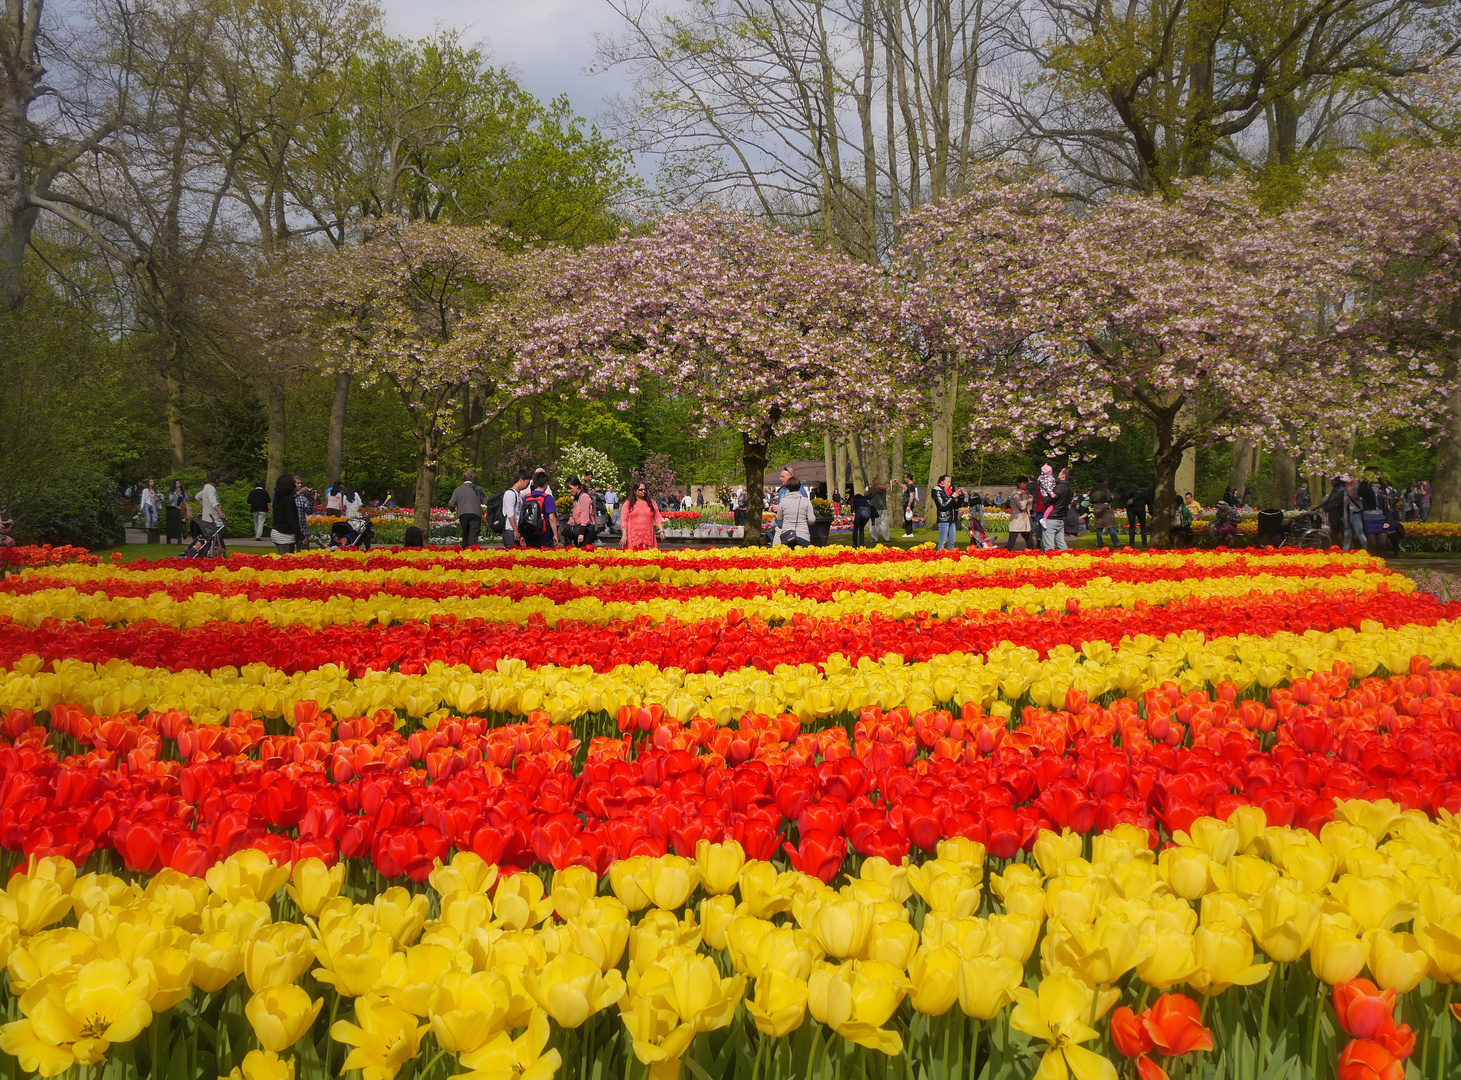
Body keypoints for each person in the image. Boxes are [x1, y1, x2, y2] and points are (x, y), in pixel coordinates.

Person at [516, 471, 559, 548]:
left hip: (529, 534)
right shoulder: (547, 498)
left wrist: (522, 535)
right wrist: (555, 534)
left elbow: (522, 516)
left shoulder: (527, 497)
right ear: (546, 484)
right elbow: (552, 518)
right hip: (543, 535)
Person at [773, 476, 816, 548]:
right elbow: (811, 520)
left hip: (787, 536)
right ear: (799, 487)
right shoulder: (806, 501)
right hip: (803, 535)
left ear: (788, 488)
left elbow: (779, 518)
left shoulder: (783, 501)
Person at [620, 480, 664, 549]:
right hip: (633, 539)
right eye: (640, 490)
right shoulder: (628, 503)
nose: (643, 491)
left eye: (644, 489)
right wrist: (624, 536)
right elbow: (624, 521)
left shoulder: (651, 503)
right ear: (635, 491)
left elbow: (657, 517)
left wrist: (661, 531)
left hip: (648, 538)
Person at [448, 470, 485, 549]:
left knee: (465, 533)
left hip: (463, 514)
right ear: (473, 479)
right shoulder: (478, 489)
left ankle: (465, 549)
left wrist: (452, 509)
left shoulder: (458, 490)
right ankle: (472, 550)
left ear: (463, 479)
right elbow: (487, 501)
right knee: (473, 534)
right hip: (475, 513)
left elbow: (451, 503)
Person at [269, 474, 304, 554]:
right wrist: (301, 536)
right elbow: (291, 519)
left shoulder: (278, 497)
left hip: (276, 532)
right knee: (287, 561)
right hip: (285, 535)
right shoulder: (288, 499)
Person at [931, 475, 964, 551]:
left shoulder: (951, 491)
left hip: (951, 518)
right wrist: (952, 497)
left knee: (952, 541)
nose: (950, 483)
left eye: (950, 482)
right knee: (943, 541)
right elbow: (942, 506)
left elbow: (957, 505)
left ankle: (950, 556)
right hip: (943, 518)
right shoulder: (937, 491)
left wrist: (961, 496)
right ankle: (941, 555)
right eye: (948, 482)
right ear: (942, 482)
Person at [562, 476, 598, 547]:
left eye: (570, 488)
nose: (569, 491)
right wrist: (572, 518)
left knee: (584, 552)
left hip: (586, 529)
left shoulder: (584, 497)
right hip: (578, 528)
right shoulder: (576, 498)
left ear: (576, 486)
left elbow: (585, 516)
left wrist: (581, 533)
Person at [1043, 468, 1072, 551]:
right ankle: (1068, 560)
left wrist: (1044, 496)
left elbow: (1048, 500)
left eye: (1060, 472)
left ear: (1064, 476)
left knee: (1049, 547)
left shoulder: (1058, 488)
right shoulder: (1067, 488)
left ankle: (1051, 562)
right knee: (1062, 545)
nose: (1058, 473)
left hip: (1051, 518)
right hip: (1060, 518)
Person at [500, 470, 530, 549]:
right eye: (527, 483)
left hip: (516, 530)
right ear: (520, 480)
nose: (527, 486)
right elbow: (510, 514)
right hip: (510, 530)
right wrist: (515, 530)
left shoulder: (518, 495)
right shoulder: (510, 494)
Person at [1089, 477, 1119, 548]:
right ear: (1105, 481)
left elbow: (1091, 500)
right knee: (1111, 526)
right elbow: (1109, 498)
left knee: (1099, 527)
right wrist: (1112, 498)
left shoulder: (1094, 488)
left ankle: (1100, 543)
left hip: (1097, 508)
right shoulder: (1106, 488)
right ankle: (1116, 543)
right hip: (1106, 508)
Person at [1006, 477, 1034, 550]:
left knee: (1030, 542)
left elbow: (1029, 508)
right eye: (1023, 482)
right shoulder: (1015, 494)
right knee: (1011, 543)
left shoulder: (1025, 493)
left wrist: (1029, 497)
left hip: (1024, 520)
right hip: (1017, 519)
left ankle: (1030, 556)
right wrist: (1025, 497)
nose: (1025, 484)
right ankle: (999, 555)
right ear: (1019, 483)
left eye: (1026, 482)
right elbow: (1022, 506)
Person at [1343, 478, 1365, 553]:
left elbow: (1364, 496)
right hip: (1347, 511)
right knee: (1347, 534)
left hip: (1356, 510)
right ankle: (1345, 551)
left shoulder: (1357, 485)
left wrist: (1360, 498)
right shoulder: (1345, 485)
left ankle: (1366, 551)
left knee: (1359, 532)